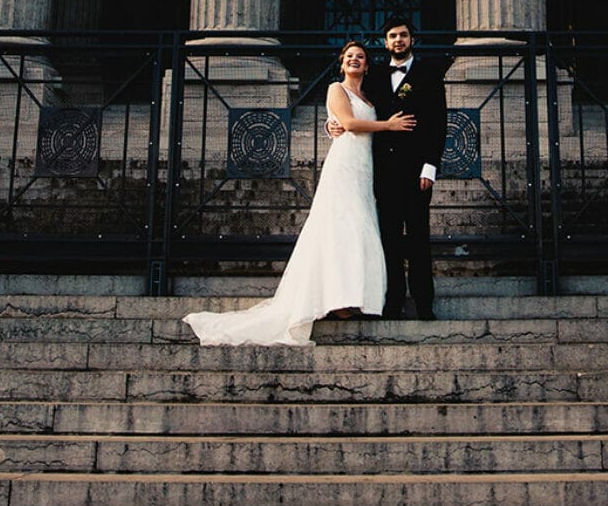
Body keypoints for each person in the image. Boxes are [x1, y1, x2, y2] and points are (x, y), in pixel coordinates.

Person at [183, 42, 415, 346]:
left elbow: (349, 120)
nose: (355, 60)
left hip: (365, 166)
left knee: (359, 228)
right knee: (341, 225)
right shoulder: (337, 88)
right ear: (342, 64)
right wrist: (387, 125)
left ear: (367, 66)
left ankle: (352, 297)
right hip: (344, 164)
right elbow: (346, 123)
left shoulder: (368, 95)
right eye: (349, 57)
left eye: (360, 57)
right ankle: (335, 299)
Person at [361, 18, 447, 321]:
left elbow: (439, 123)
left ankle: (424, 302)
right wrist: (332, 122)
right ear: (385, 42)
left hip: (416, 171)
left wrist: (430, 166)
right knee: (390, 239)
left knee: (419, 237)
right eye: (392, 36)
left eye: (403, 35)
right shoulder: (375, 78)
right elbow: (356, 108)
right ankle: (393, 300)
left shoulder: (429, 74)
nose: (398, 40)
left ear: (412, 39)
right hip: (384, 170)